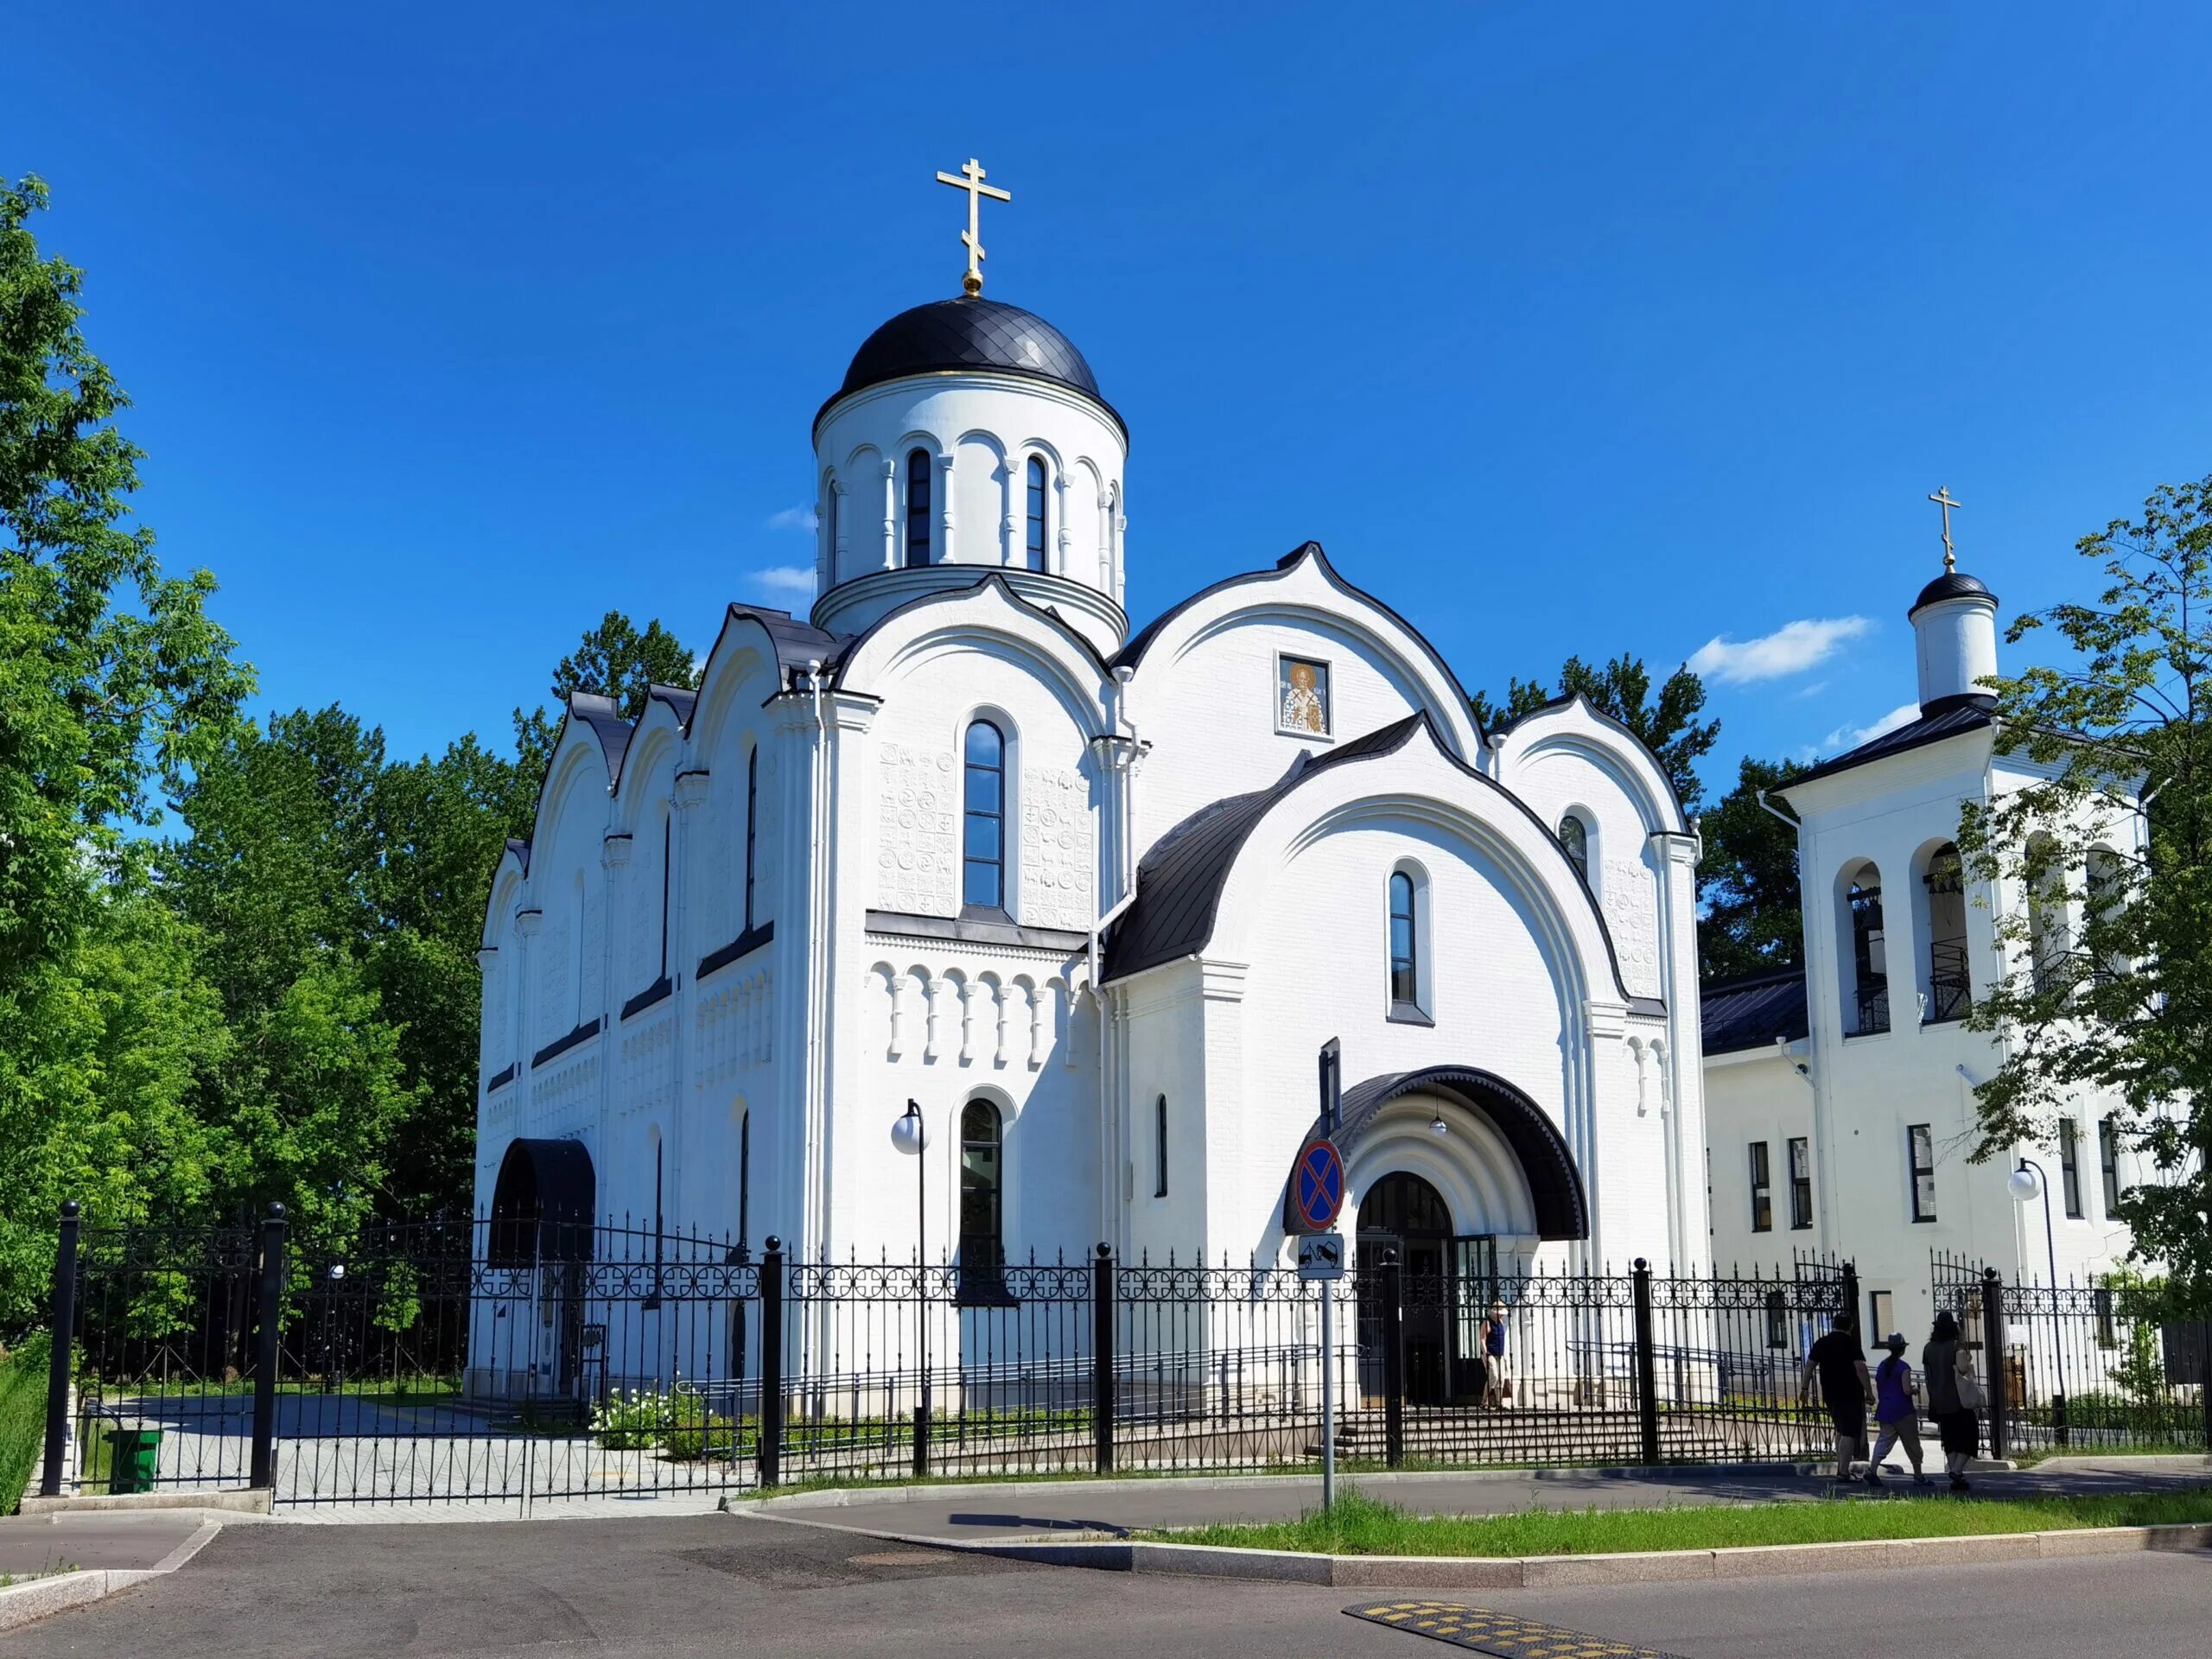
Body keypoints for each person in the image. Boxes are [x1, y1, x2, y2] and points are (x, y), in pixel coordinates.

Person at [1800, 1311, 1872, 1484]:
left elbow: (1809, 1365)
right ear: (1850, 1327)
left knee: (1840, 1428)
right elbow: (1860, 1368)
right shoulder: (1850, 1344)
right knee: (1848, 1431)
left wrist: (1805, 1388)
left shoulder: (1822, 1343)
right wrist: (1869, 1392)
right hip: (1850, 1393)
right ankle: (1843, 1472)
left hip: (1830, 1393)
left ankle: (1842, 1466)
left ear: (1834, 1324)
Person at [1923, 1311, 1983, 1493]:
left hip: (1939, 1398)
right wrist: (1964, 1345)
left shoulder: (1928, 1348)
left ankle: (1954, 1472)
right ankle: (1957, 1471)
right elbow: (1963, 1368)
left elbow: (1928, 1375)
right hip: (1958, 1398)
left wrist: (1932, 1396)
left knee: (1949, 1436)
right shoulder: (1956, 1346)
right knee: (1968, 1435)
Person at [1866, 1333, 1932, 1488]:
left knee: (1883, 1441)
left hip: (1885, 1410)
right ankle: (1918, 1475)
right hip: (1903, 1411)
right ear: (1902, 1349)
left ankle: (1872, 1470)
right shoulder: (1904, 1367)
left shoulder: (1882, 1366)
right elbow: (1906, 1390)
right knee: (1912, 1444)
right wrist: (1915, 1390)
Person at [1481, 1302, 1510, 1408]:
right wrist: (1486, 1353)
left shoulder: (1501, 1322)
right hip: (1490, 1354)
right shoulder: (1487, 1323)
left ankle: (1499, 1403)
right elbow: (1482, 1339)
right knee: (1493, 1376)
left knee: (1501, 1378)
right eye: (1499, 1313)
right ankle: (1484, 1402)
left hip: (1500, 1354)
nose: (1501, 1315)